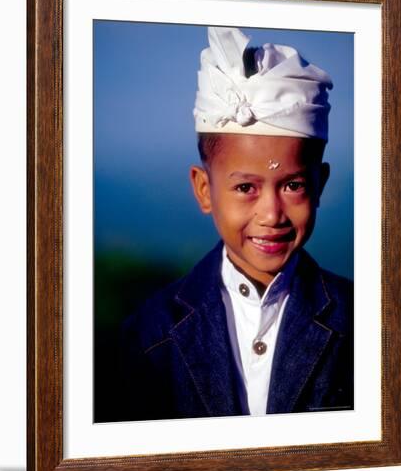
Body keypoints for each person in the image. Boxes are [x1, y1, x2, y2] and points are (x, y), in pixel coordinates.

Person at [116, 26, 353, 421]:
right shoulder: (146, 336)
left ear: (320, 184)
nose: (272, 214)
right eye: (245, 187)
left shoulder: (370, 325)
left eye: (293, 185)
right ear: (204, 189)